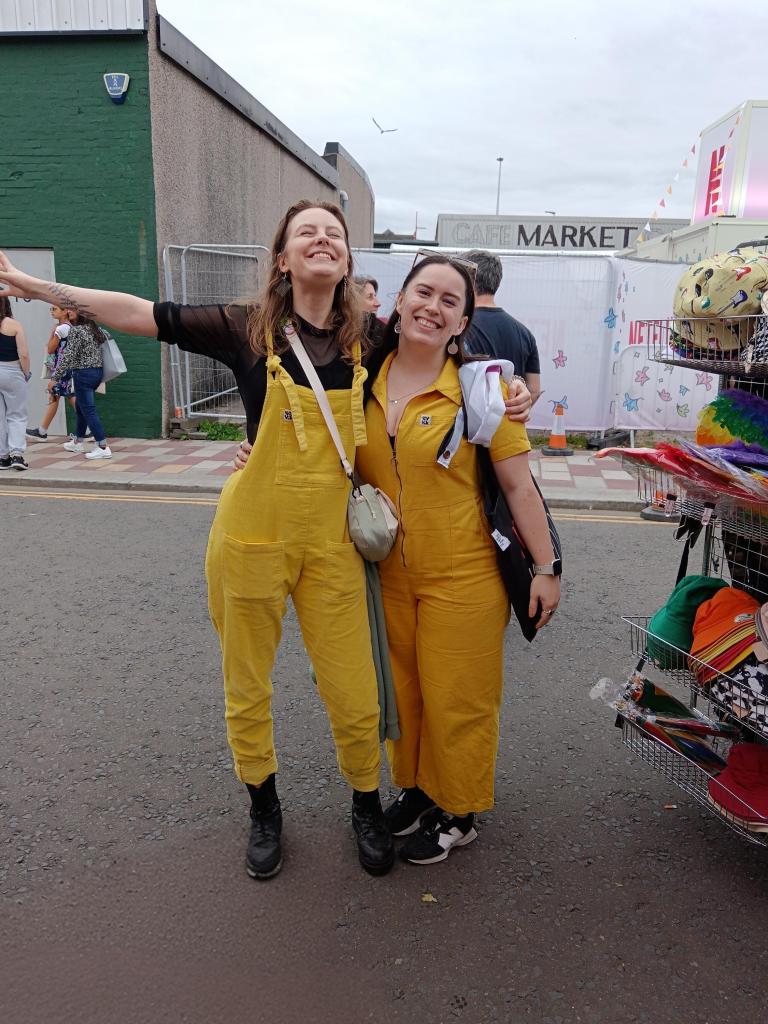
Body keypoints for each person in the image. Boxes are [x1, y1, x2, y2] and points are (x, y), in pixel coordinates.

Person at [0, 202, 399, 880]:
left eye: (334, 233)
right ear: (283, 258)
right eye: (307, 231)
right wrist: (34, 288)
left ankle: (366, 802)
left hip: (333, 543)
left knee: (355, 690)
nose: (323, 239)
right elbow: (138, 312)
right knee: (247, 685)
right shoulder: (248, 330)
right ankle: (264, 809)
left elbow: (445, 348)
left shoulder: (374, 340)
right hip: (249, 537)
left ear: (348, 261)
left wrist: (510, 396)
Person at [237, 253, 558, 867]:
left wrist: (545, 569)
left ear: (463, 322)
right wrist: (254, 454)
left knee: (458, 698)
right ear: (398, 300)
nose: (432, 309)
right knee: (403, 695)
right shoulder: (364, 379)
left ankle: (458, 812)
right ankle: (416, 792)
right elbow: (317, 450)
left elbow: (519, 486)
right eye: (424, 293)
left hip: (464, 575)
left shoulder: (482, 391)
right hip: (386, 575)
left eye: (448, 302)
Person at [463, 249, 542, 405]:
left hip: (468, 423)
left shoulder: (458, 326)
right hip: (511, 422)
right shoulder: (524, 333)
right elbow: (534, 389)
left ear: (468, 279)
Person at [48, 313, 112, 460]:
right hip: (97, 373)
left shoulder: (77, 330)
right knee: (81, 408)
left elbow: (68, 356)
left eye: (73, 309)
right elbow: (107, 336)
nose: (69, 311)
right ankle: (77, 442)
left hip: (83, 374)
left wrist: (55, 377)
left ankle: (103, 447)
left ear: (81, 314)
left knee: (88, 410)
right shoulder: (96, 329)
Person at [26, 304, 78, 441]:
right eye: (51, 309)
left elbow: (50, 349)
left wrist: (53, 332)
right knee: (64, 396)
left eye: (54, 309)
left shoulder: (61, 329)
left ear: (65, 311)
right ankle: (42, 431)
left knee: (60, 396)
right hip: (67, 367)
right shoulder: (71, 328)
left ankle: (42, 432)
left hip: (61, 368)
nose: (51, 312)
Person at [0, 294, 31, 471]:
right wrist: (26, 373)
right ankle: (16, 454)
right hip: (12, 371)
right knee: (17, 414)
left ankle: (2, 458)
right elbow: (24, 354)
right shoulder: (14, 325)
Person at [354, 275, 385, 347]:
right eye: (370, 297)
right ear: (353, 300)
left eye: (375, 296)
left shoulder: (384, 333)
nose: (378, 304)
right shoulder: (337, 332)